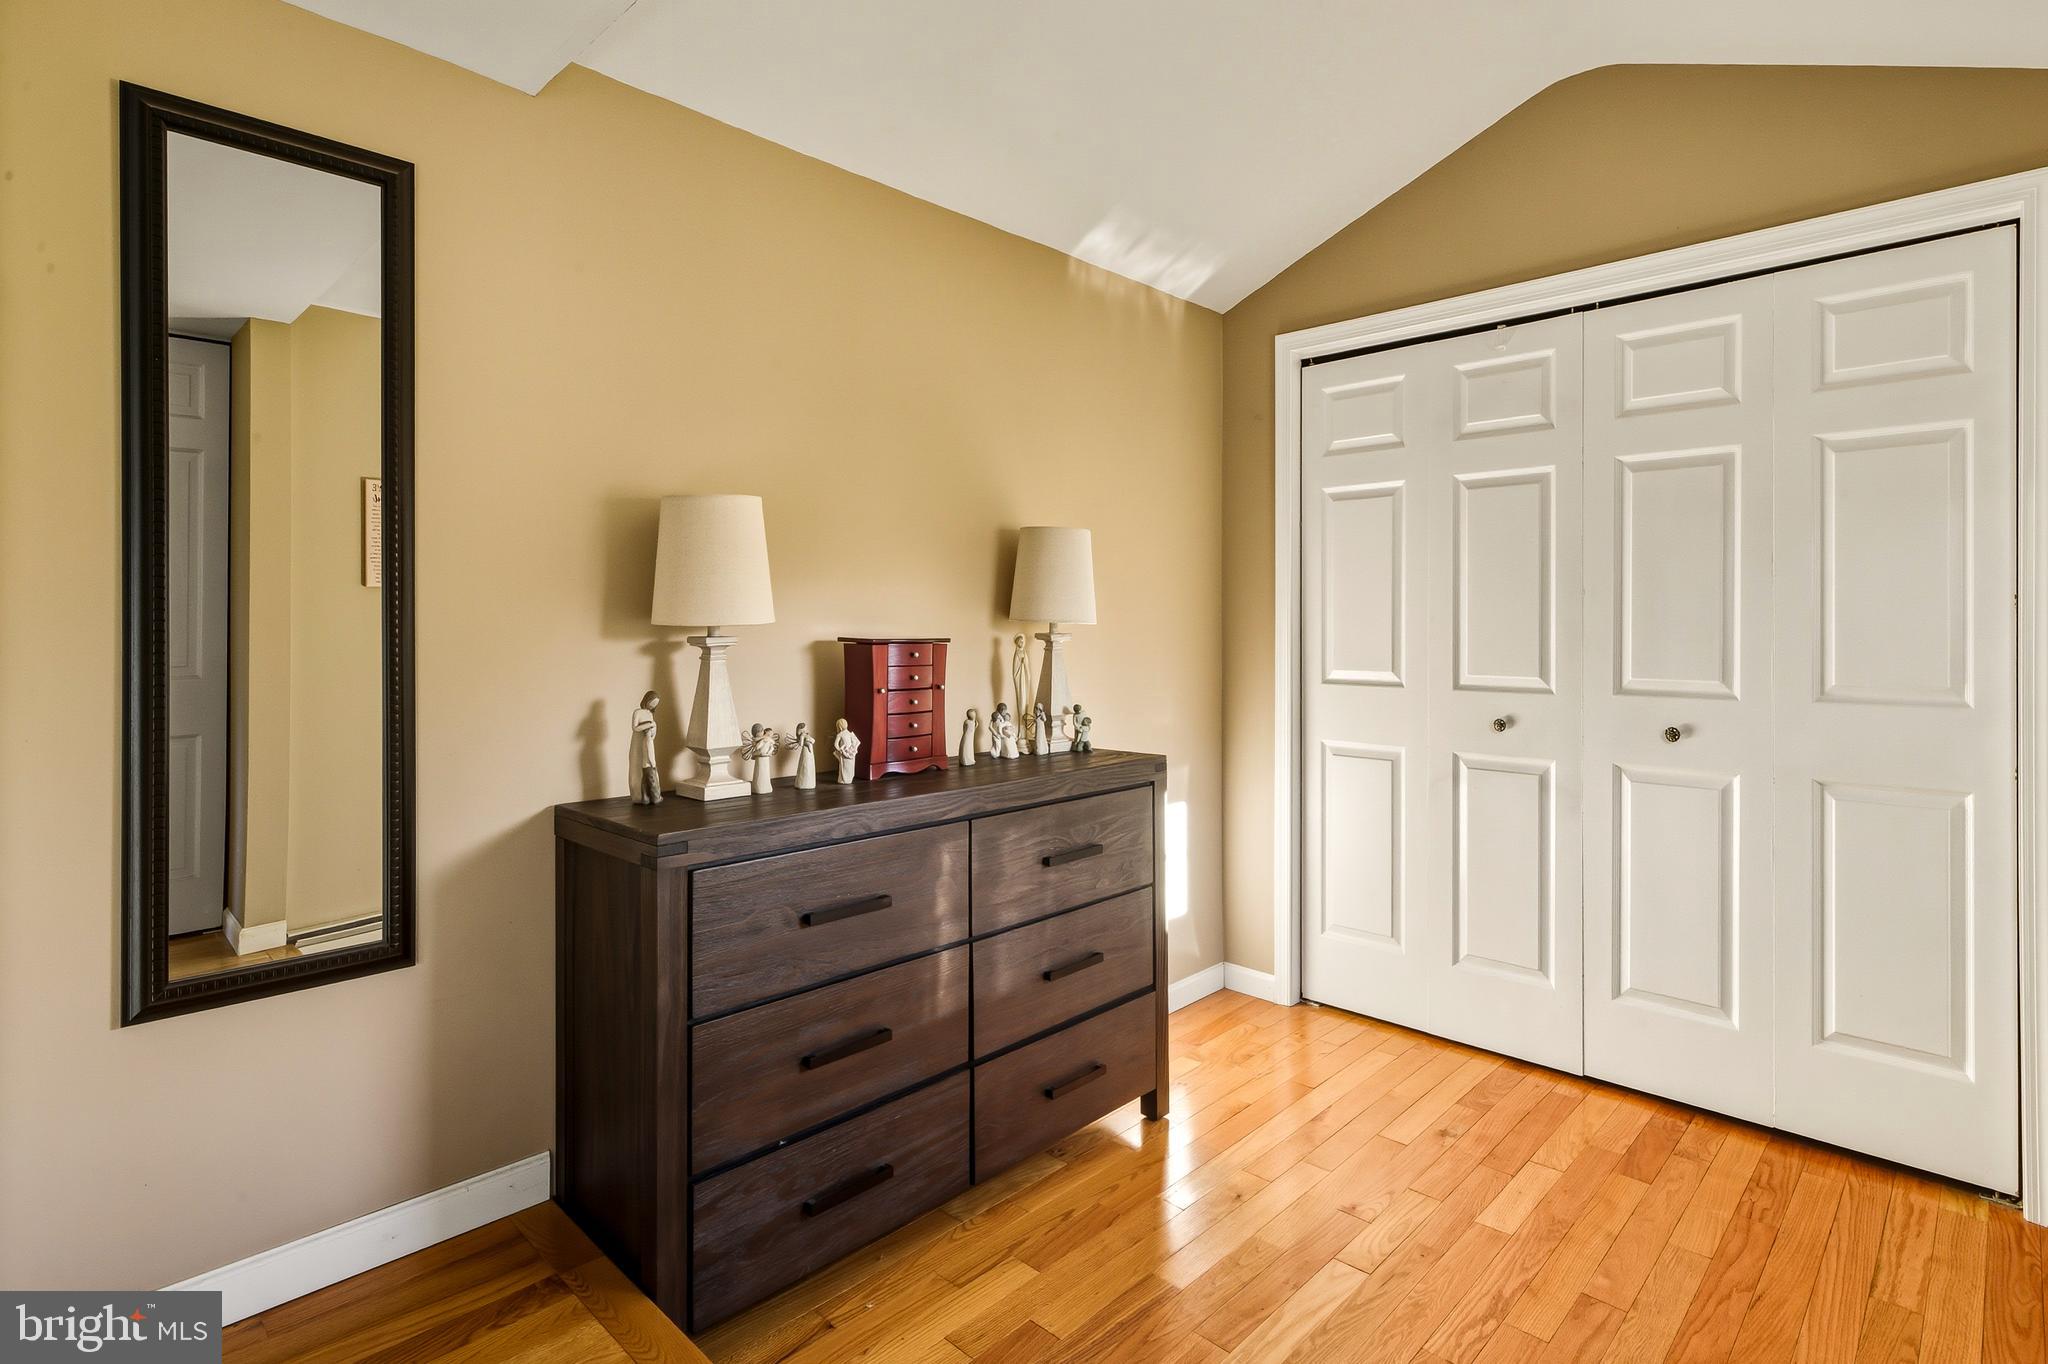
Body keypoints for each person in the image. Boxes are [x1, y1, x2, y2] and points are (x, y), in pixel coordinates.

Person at [630, 691, 662, 805]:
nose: (653, 706)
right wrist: (649, 725)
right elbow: (635, 728)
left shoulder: (650, 714)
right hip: (638, 741)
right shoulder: (637, 712)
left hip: (648, 739)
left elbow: (653, 733)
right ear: (646, 700)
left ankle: (647, 796)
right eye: (652, 703)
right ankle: (639, 795)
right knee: (638, 766)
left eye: (655, 705)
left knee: (647, 768)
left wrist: (654, 728)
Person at [832, 718, 861, 783]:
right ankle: (847, 779)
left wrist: (839, 750)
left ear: (839, 727)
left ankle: (844, 780)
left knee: (844, 767)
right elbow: (856, 742)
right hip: (850, 753)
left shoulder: (840, 734)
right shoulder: (849, 733)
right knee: (848, 767)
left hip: (845, 753)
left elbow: (835, 744)